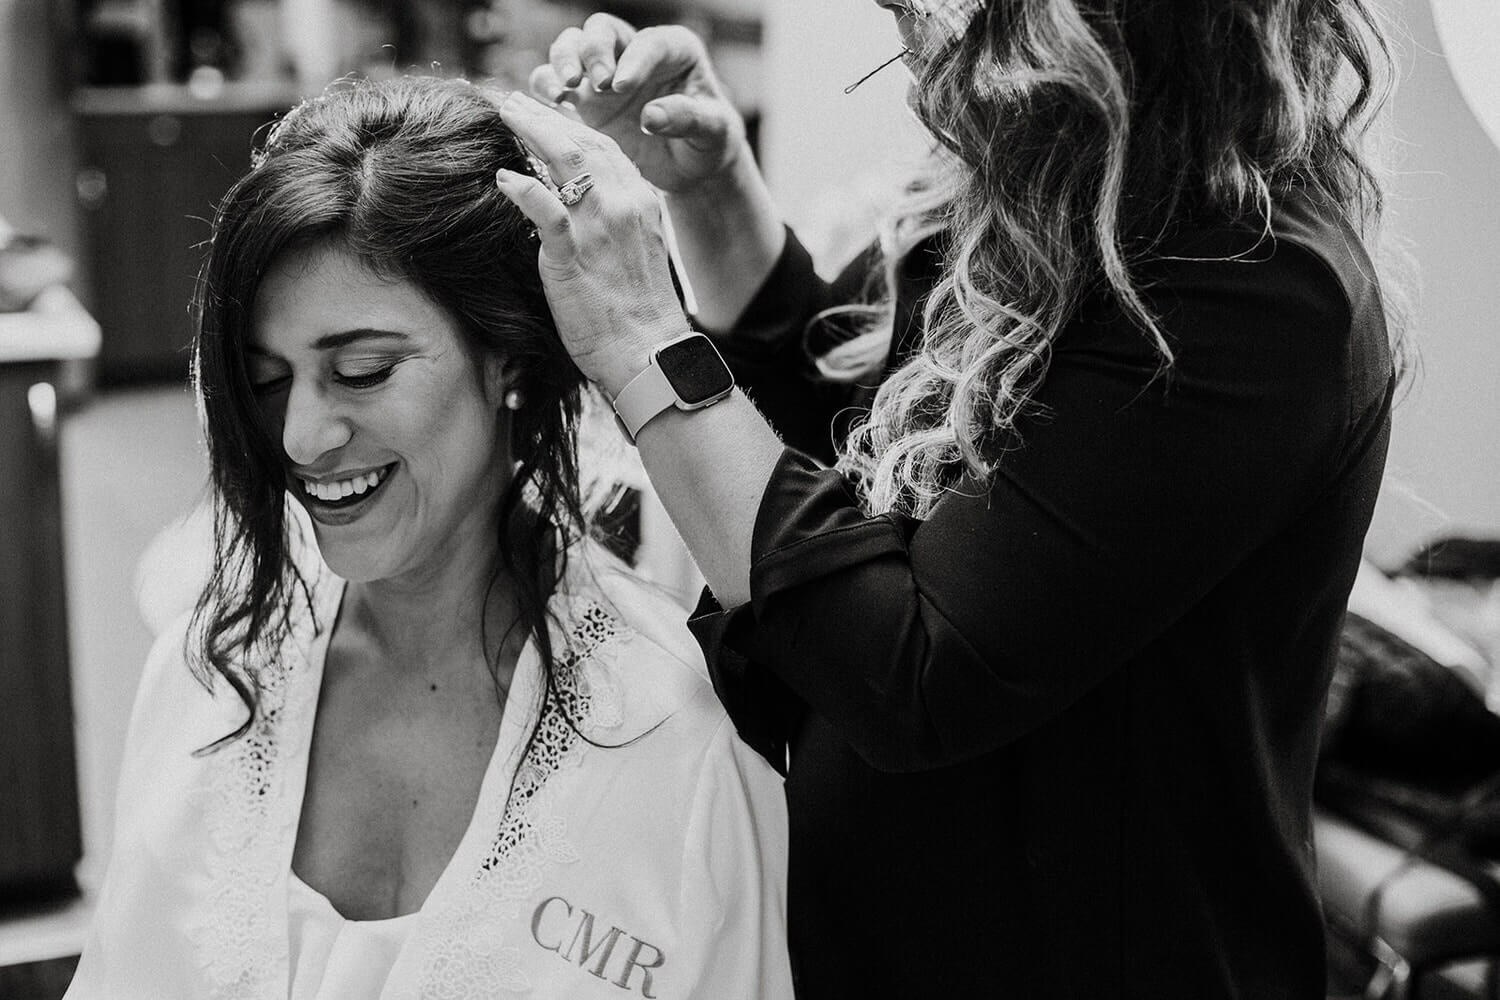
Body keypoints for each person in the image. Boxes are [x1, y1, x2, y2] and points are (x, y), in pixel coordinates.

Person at [491, 0, 1406, 996]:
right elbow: (856, 449)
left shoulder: (1249, 286)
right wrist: (711, 196)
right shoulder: (1042, 188)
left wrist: (638, 336)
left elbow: (910, 667)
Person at [65, 76, 791, 1000]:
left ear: (512, 365)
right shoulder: (212, 674)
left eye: (362, 372)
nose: (300, 438)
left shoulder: (674, 740)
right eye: (269, 378)